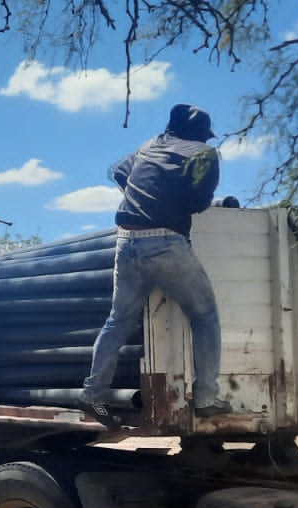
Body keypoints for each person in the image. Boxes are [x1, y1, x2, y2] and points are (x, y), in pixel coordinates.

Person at [81, 103, 232, 418]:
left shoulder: (150, 144)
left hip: (126, 241)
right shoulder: (203, 154)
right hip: (166, 243)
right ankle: (206, 398)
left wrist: (143, 197)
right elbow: (199, 202)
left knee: (117, 321)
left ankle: (92, 394)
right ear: (203, 134)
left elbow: (118, 171)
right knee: (205, 317)